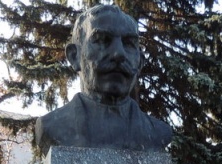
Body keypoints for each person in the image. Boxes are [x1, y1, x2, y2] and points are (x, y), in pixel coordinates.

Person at [35, 4, 173, 155]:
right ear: (74, 56)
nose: (119, 54)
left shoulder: (157, 132)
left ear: (140, 61)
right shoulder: (52, 126)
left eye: (129, 43)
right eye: (102, 40)